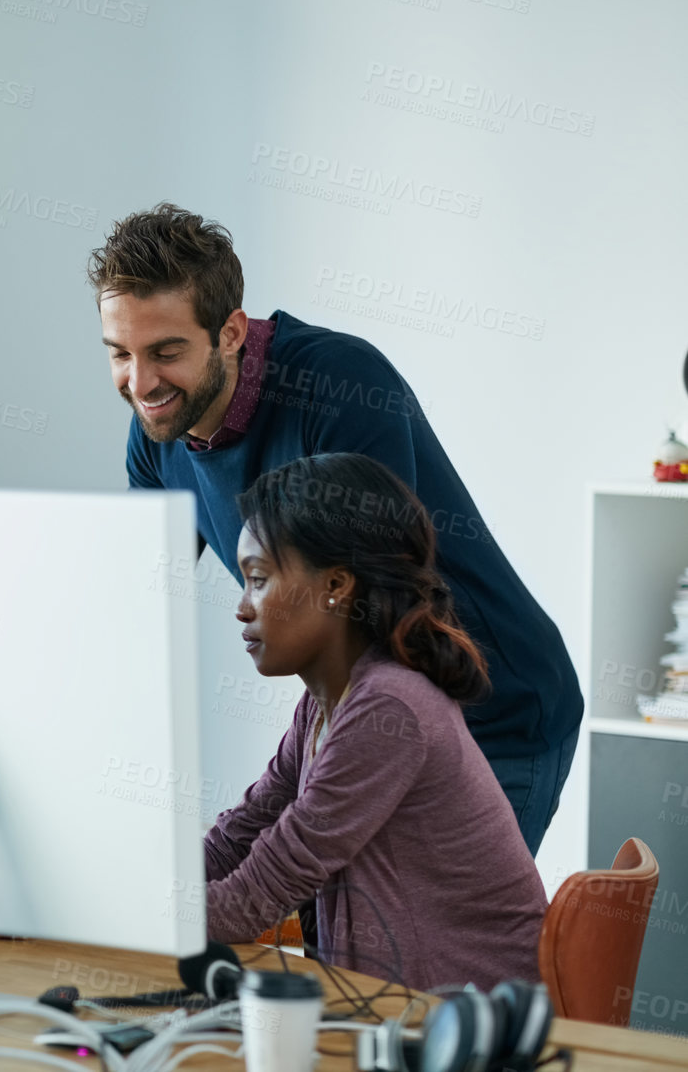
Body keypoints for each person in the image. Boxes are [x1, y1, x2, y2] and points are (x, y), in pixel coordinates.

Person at [91, 203, 580, 854]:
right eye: (120, 354)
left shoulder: (338, 385)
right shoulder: (159, 428)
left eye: (166, 352)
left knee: (430, 945)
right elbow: (135, 604)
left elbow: (376, 611)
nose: (141, 382)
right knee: (337, 937)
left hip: (494, 704)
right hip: (373, 708)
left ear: (231, 333)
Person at [204, 452, 546, 990]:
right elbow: (236, 839)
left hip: (462, 1023)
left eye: (259, 579)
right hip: (398, 1009)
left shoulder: (388, 709)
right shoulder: (326, 706)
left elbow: (251, 899)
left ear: (337, 585)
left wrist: (120, 908)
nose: (243, 608)